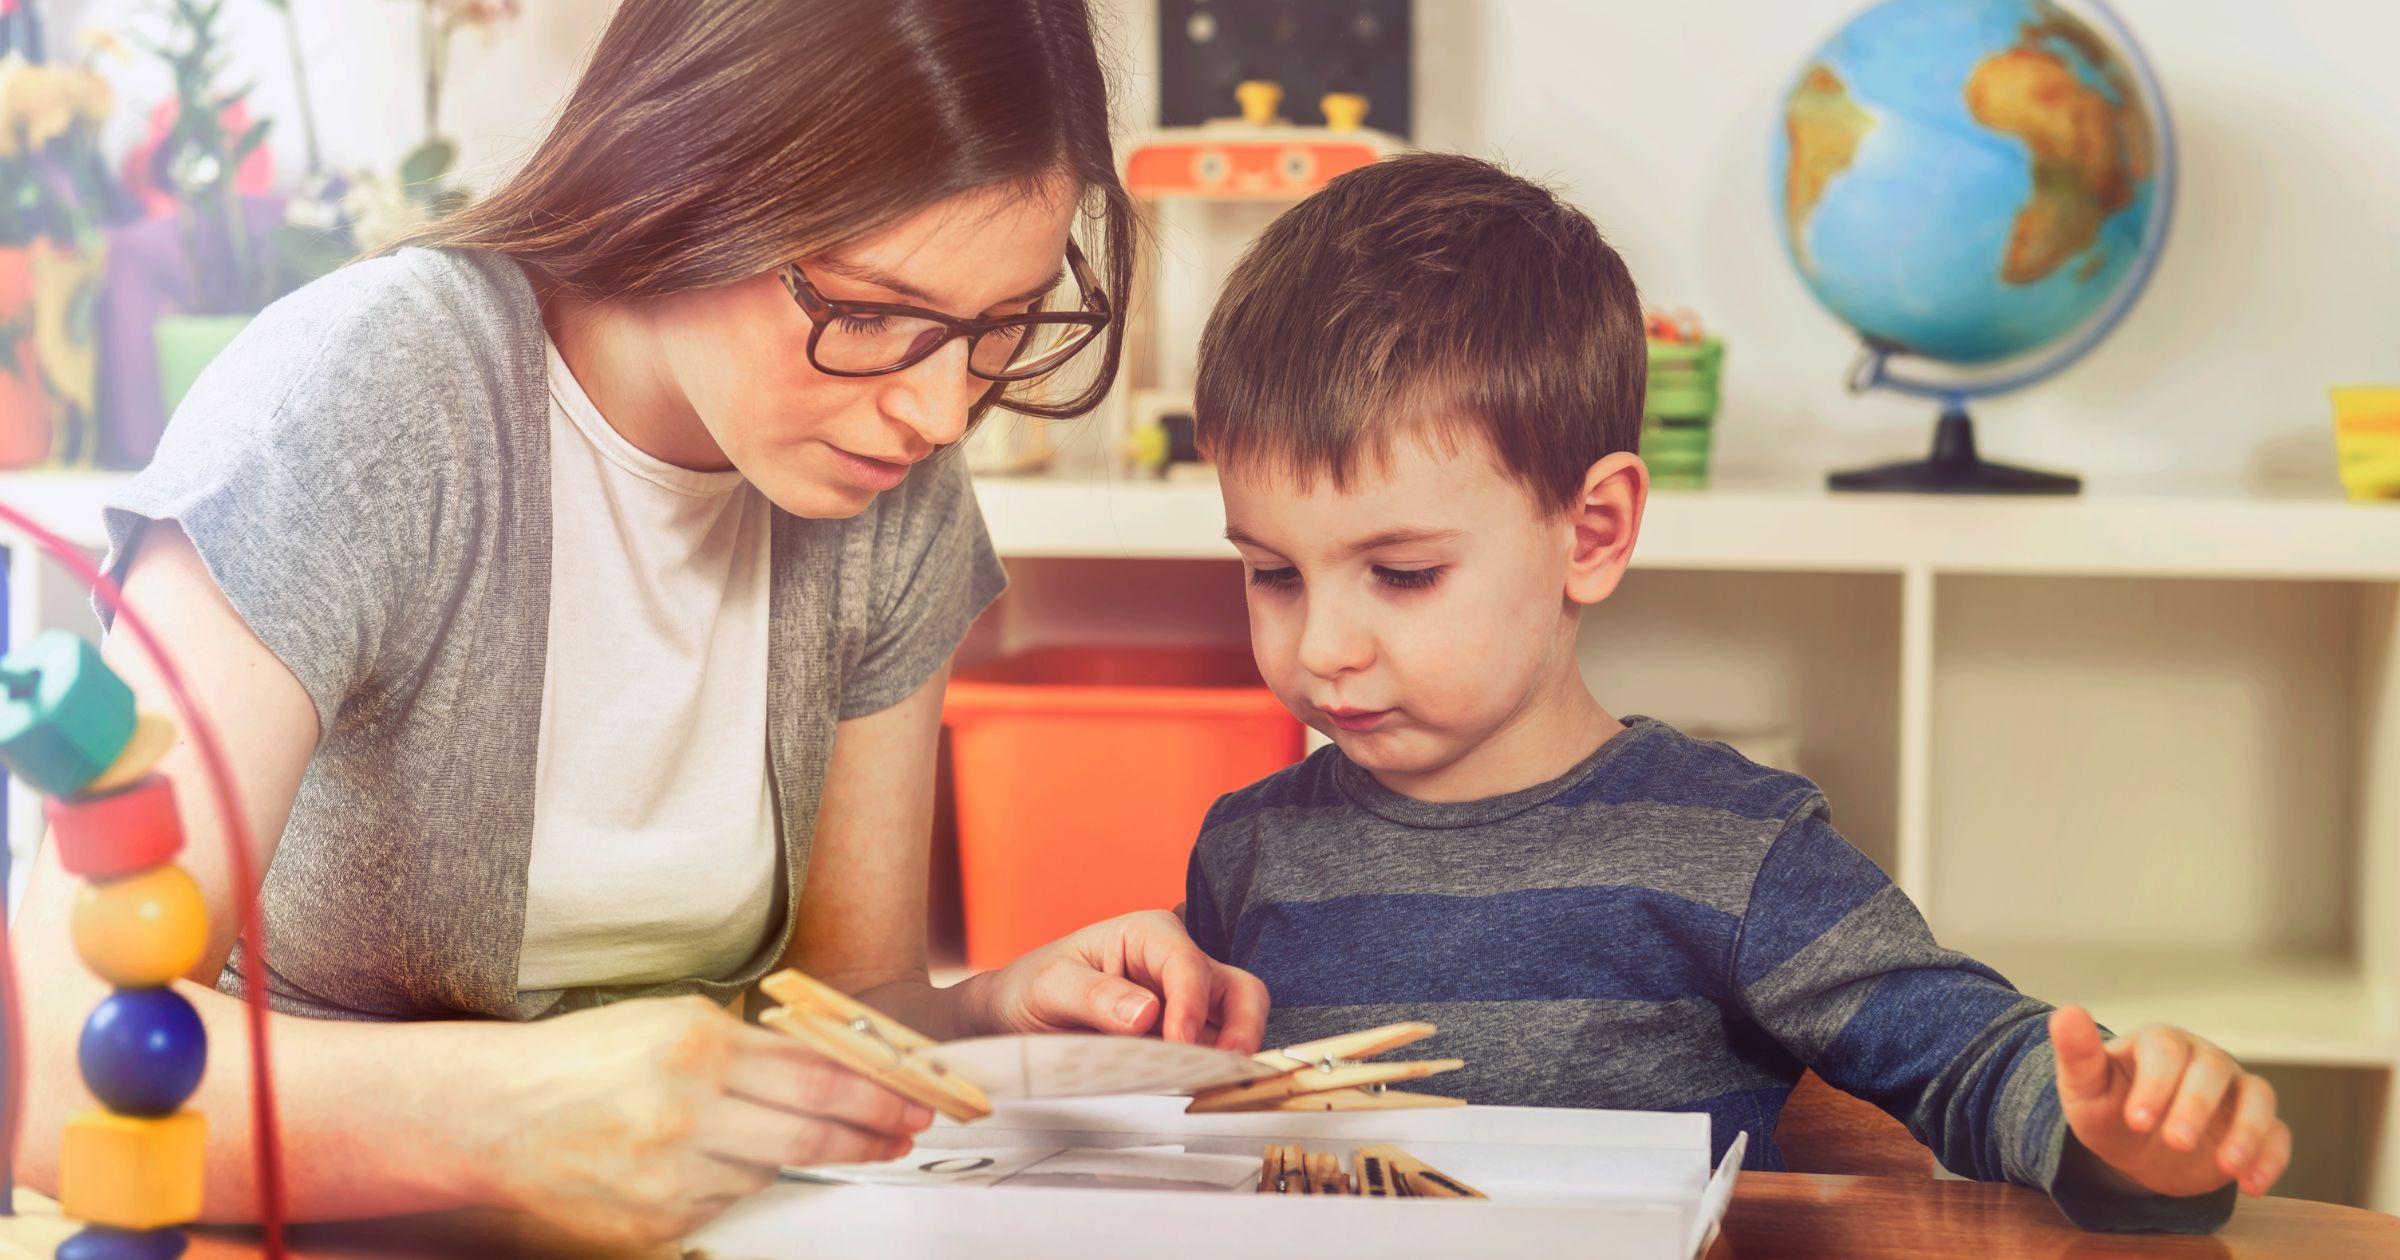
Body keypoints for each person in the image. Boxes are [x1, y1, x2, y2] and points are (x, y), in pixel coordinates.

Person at [18, 0, 1263, 1246]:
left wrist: (988, 1013)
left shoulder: (887, 487)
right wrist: (504, 1117)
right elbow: (55, 1056)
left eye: (999, 328)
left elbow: (833, 1011)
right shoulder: (365, 401)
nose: (941, 412)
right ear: (689, 177)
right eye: (876, 313)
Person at [1177, 153, 2290, 1231]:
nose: (1321, 644)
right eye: (1272, 573)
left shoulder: (1735, 852)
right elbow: (1178, 1142)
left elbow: (1971, 1061)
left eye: (1404, 574)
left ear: (1592, 531)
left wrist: (2127, 1139)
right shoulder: (1247, 852)